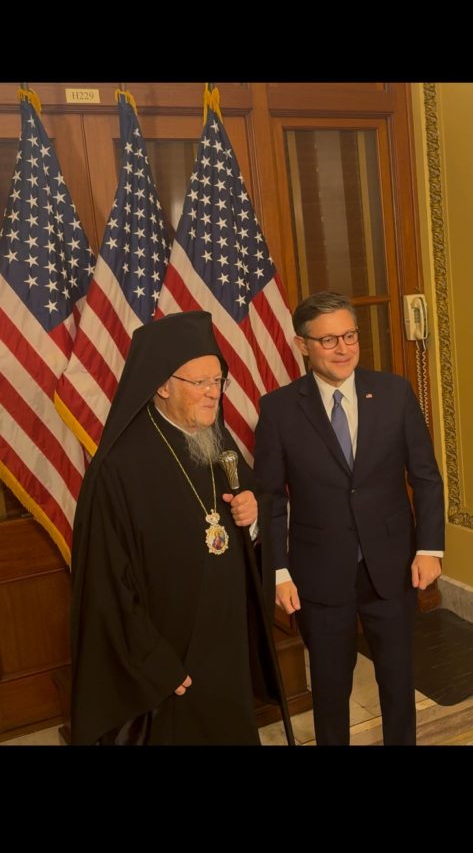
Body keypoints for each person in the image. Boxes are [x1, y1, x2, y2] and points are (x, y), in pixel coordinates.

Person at [70, 310, 283, 745]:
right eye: (200, 382)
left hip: (227, 646)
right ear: (162, 385)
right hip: (170, 663)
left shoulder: (216, 440)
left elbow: (252, 503)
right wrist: (154, 662)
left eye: (218, 381)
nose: (213, 393)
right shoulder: (119, 468)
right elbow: (106, 584)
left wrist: (253, 514)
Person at [254, 291, 445, 746]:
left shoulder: (395, 392)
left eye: (349, 336)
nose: (343, 349)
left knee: (398, 682)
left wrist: (429, 548)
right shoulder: (279, 409)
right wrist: (279, 571)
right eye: (328, 340)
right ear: (302, 345)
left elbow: (425, 476)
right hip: (319, 575)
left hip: (393, 567)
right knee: (330, 690)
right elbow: (270, 498)